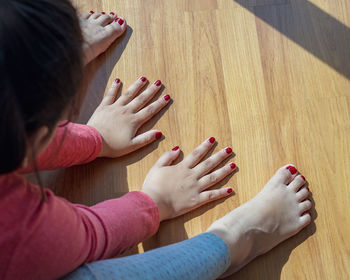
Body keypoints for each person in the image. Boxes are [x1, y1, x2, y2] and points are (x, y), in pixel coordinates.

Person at [0, 1, 312, 279]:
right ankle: (238, 241)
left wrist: (97, 140)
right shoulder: (14, 229)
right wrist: (154, 203)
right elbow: (88, 237)